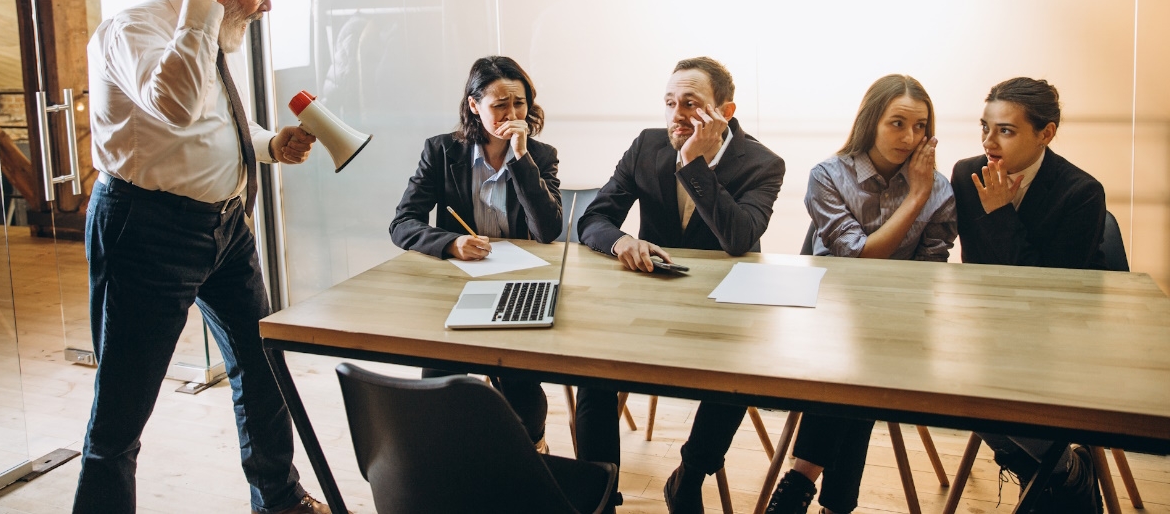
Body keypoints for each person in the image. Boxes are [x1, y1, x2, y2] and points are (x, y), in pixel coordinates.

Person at [75, 0, 327, 514]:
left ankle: (279, 498)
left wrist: (269, 144)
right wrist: (197, 6)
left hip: (225, 229)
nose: (268, 4)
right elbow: (176, 109)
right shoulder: (135, 29)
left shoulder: (209, 29)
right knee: (122, 407)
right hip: (147, 231)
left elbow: (212, 124)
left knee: (262, 366)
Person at [575, 57, 786, 513]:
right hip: (652, 301)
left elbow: (738, 239)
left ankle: (689, 475)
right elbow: (592, 219)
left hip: (723, 312)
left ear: (724, 113)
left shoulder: (763, 164)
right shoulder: (647, 147)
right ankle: (601, 494)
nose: (676, 116)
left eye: (691, 104)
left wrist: (694, 163)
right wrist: (620, 242)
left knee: (739, 375)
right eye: (670, 103)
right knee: (593, 368)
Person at [763, 74, 956, 514]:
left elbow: (930, 274)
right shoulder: (828, 176)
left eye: (921, 126)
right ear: (871, 121)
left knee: (862, 365)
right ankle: (835, 504)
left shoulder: (940, 187)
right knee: (857, 369)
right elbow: (858, 258)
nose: (910, 138)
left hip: (897, 325)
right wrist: (915, 197)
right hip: (830, 318)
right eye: (897, 123)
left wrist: (925, 189)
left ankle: (798, 480)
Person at [389, 55, 562, 450]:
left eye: (520, 103)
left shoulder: (541, 155)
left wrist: (521, 158)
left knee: (519, 381)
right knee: (438, 381)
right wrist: (450, 243)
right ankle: (451, 459)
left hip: (521, 283)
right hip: (458, 285)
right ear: (473, 105)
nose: (512, 114)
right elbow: (403, 224)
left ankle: (531, 449)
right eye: (500, 105)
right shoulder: (441, 152)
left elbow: (547, 232)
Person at [952, 77, 1105, 513]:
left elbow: (1049, 293)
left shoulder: (1082, 193)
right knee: (950, 385)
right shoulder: (968, 173)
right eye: (985, 127)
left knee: (989, 390)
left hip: (1060, 334)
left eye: (1006, 130)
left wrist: (1000, 213)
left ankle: (1048, 480)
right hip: (993, 327)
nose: (989, 141)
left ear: (1046, 133)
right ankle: (1064, 474)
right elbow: (978, 267)